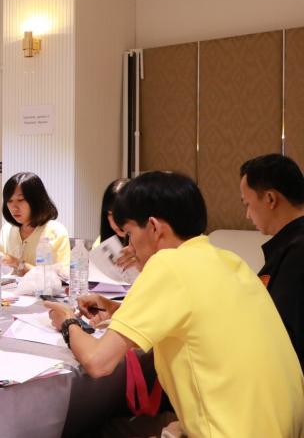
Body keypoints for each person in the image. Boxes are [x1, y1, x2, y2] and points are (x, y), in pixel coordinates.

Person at [44, 171, 304, 437]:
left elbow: (98, 362)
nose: (130, 246)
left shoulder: (168, 263)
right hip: (282, 428)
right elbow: (194, 318)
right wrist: (115, 309)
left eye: (130, 234)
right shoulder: (228, 260)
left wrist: (68, 321)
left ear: (154, 227)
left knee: (98, 430)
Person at [240, 153, 304, 369]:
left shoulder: (296, 254)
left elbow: (282, 333)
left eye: (248, 204)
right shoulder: (290, 246)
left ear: (270, 199)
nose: (248, 215)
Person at [0, 172, 70, 277]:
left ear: (36, 200)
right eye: (9, 201)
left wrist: (17, 263)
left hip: (44, 288)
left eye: (20, 200)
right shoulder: (6, 230)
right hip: (10, 287)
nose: (14, 207)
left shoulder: (55, 231)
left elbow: (63, 276)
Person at [92, 178, 130, 248]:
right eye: (110, 214)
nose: (114, 220)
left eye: (119, 214)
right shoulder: (99, 244)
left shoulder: (147, 243)